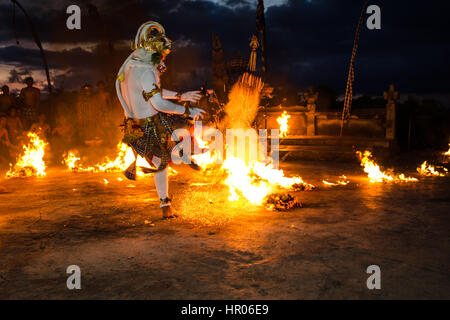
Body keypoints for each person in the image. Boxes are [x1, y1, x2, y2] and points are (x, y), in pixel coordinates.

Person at [116, 21, 205, 219]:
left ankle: (165, 203)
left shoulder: (132, 67)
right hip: (148, 125)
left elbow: (150, 92)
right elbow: (158, 103)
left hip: (134, 125)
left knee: (159, 162)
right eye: (163, 54)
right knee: (162, 162)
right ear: (155, 52)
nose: (164, 58)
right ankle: (165, 204)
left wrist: (180, 95)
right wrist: (186, 111)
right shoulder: (147, 72)